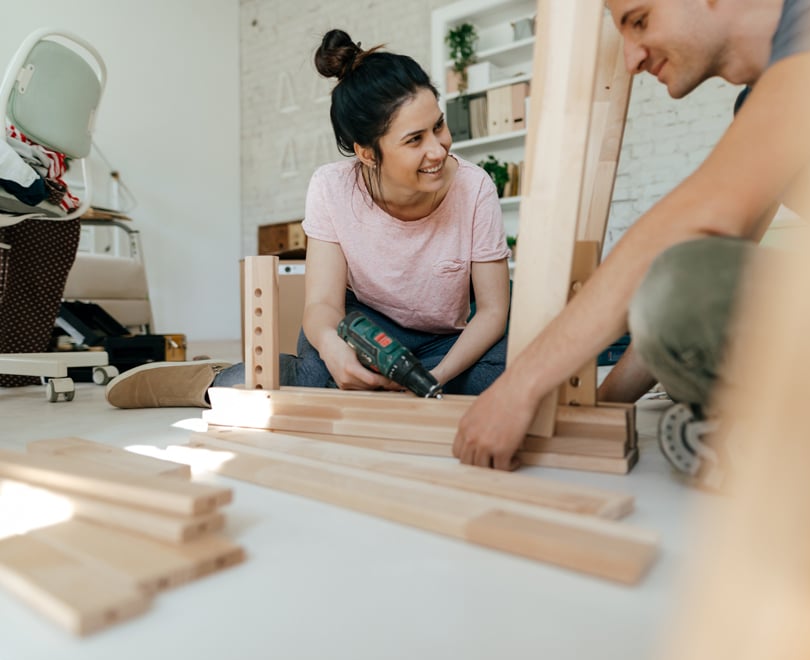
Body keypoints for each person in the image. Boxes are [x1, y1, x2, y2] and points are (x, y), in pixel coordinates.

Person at [452, 0, 810, 473]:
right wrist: (600, 416)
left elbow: (703, 225)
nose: (631, 57)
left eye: (640, 20)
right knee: (692, 295)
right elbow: (716, 257)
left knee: (685, 284)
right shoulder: (769, 100)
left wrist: (517, 388)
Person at [105, 29, 511, 408]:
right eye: (414, 140)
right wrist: (335, 352)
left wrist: (434, 378)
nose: (438, 150)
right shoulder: (331, 188)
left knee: (511, 372)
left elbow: (493, 310)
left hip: (446, 339)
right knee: (319, 373)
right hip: (367, 328)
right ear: (368, 153)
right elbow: (321, 305)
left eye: (437, 125)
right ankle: (212, 380)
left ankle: (371, 389)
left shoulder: (474, 188)